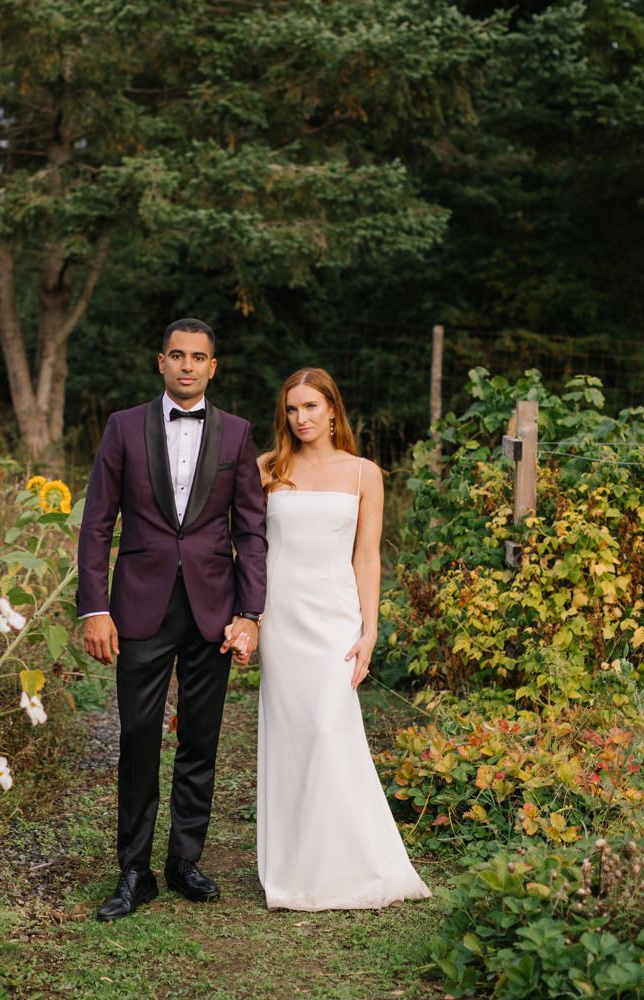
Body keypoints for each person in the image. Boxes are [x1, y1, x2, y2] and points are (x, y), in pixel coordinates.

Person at [76, 318, 268, 922]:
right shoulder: (123, 427)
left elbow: (251, 531)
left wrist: (250, 611)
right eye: (177, 356)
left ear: (214, 367)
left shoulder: (236, 435)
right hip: (138, 605)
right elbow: (97, 522)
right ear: (160, 362)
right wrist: (95, 605)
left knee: (201, 739)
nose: (188, 366)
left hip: (212, 609)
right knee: (137, 738)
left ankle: (185, 860)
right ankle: (135, 870)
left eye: (199, 358)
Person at [251, 367, 431, 911]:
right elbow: (246, 547)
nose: (301, 419)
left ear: (333, 410)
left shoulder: (364, 473)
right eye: (291, 409)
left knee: (330, 729)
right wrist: (248, 618)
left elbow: (367, 556)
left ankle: (346, 863)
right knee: (292, 736)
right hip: (280, 617)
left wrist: (369, 628)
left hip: (334, 618)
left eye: (311, 407)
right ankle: (294, 866)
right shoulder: (266, 468)